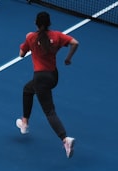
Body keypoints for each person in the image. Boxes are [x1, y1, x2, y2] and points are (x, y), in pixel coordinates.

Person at [16, 11, 79, 158]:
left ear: (35, 23)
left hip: (41, 79)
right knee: (27, 89)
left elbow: (20, 54)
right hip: (53, 77)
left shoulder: (31, 37)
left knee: (49, 112)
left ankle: (65, 139)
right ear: (49, 23)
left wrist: (28, 40)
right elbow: (75, 43)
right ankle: (24, 123)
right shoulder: (57, 36)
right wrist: (68, 58)